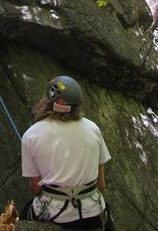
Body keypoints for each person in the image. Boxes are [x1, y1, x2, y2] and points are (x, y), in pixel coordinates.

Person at [21, 75, 111, 230]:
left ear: (48, 99)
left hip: (56, 215)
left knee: (23, 216)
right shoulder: (93, 128)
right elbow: (101, 185)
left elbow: (36, 189)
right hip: (93, 213)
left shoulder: (31, 135)